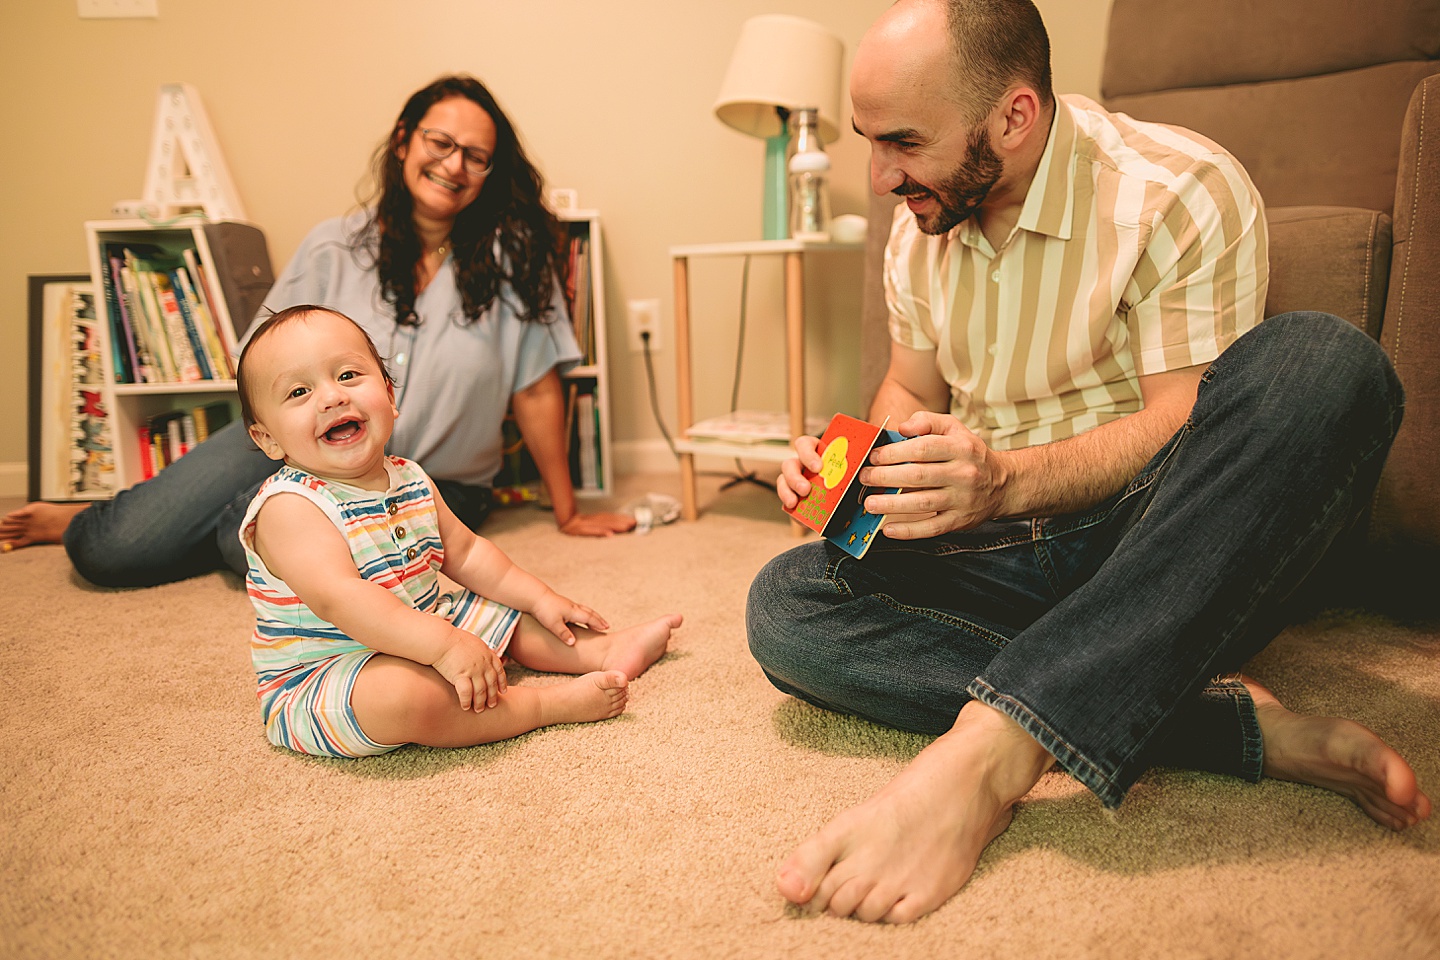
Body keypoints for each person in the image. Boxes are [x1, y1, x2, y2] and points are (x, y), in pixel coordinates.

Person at [746, 0, 1431, 925]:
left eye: (903, 142)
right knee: (786, 604)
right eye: (869, 141)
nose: (877, 178)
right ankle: (1212, 719)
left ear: (1014, 117)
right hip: (997, 548)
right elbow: (909, 394)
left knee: (1325, 363)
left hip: (1155, 538)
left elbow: (1185, 421)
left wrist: (1011, 478)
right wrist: (849, 475)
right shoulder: (922, 223)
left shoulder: (1179, 188)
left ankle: (992, 751)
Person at [0, 74, 632, 584]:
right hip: (290, 447)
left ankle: (229, 522)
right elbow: (261, 362)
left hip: (431, 483)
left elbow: (537, 391)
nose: (454, 164)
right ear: (406, 141)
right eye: (441, 143)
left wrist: (568, 510)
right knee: (109, 551)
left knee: (238, 533)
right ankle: (98, 516)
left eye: (476, 156)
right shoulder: (333, 245)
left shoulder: (516, 264)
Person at [236, 304, 680, 756]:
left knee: (501, 610)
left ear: (389, 396)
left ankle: (603, 650)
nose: (331, 397)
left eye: (348, 376)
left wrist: (540, 598)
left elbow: (466, 553)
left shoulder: (409, 477)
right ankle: (542, 706)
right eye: (298, 392)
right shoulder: (289, 508)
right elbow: (343, 599)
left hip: (426, 623)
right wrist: (446, 646)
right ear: (267, 438)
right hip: (330, 671)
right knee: (407, 697)